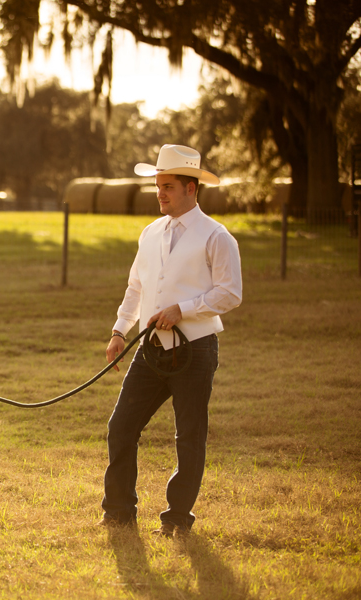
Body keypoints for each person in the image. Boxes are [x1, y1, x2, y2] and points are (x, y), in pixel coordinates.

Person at [101, 144, 243, 538]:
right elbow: (135, 287)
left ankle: (178, 518)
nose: (159, 193)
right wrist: (119, 331)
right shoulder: (150, 233)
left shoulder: (217, 236)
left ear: (191, 188)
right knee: (122, 426)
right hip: (150, 350)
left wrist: (185, 308)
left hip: (195, 350)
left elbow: (230, 294)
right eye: (157, 186)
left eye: (168, 186)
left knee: (189, 435)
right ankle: (118, 512)